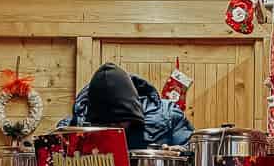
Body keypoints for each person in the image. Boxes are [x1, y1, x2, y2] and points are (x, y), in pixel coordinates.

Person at [60, 63, 193, 149]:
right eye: (106, 125)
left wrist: (184, 152)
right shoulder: (71, 128)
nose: (114, 129)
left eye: (119, 123)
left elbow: (196, 154)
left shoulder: (168, 116)